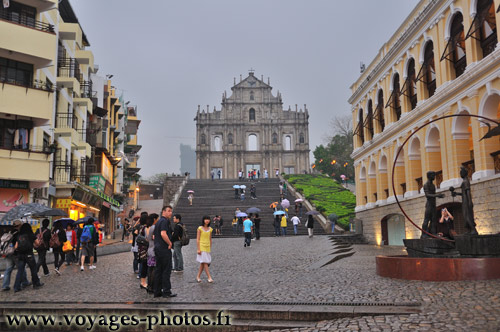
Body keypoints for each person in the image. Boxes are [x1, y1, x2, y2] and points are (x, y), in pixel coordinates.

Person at [13, 222, 43, 292]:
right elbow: (37, 244)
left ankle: (16, 287)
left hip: (20, 255)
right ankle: (36, 283)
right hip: (29, 255)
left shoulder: (19, 235)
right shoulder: (31, 234)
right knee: (33, 270)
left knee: (20, 271)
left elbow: (16, 247)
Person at [153, 205, 176, 298]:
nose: (170, 213)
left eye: (171, 211)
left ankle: (157, 291)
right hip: (164, 248)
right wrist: (169, 243)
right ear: (163, 212)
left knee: (159, 270)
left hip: (158, 248)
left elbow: (154, 236)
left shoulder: (158, 222)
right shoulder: (164, 221)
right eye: (169, 211)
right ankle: (166, 291)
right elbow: (163, 233)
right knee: (166, 270)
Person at [2, 220, 28, 291]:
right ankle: (24, 282)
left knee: (8, 269)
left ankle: (5, 285)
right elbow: (18, 245)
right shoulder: (18, 234)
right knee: (21, 268)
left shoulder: (10, 232)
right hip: (15, 254)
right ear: (19, 225)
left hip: (7, 253)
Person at [451, 166, 478, 235]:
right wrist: (456, 193)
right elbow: (464, 193)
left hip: (466, 201)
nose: (460, 174)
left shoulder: (466, 181)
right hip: (465, 200)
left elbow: (468, 192)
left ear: (464, 173)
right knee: (465, 215)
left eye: (461, 172)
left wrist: (469, 201)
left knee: (467, 215)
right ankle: (469, 230)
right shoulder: (464, 181)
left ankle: (473, 229)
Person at [421, 171, 444, 238]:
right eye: (433, 175)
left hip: (433, 204)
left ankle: (433, 233)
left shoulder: (433, 185)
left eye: (434, 175)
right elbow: (427, 195)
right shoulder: (426, 185)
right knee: (426, 219)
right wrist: (437, 195)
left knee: (434, 219)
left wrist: (436, 196)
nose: (434, 177)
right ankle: (423, 234)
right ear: (429, 176)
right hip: (429, 204)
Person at [196, 216, 213, 283]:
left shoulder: (210, 229)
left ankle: (198, 276)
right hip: (202, 246)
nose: (207, 221)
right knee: (205, 262)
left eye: (208, 219)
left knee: (203, 263)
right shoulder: (200, 228)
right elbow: (198, 239)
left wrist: (210, 247)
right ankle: (209, 277)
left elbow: (210, 239)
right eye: (206, 219)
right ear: (203, 220)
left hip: (207, 246)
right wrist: (198, 249)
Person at [145, 213, 159, 294]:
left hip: (149, 249)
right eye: (157, 219)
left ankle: (149, 286)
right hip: (154, 250)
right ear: (154, 219)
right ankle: (152, 287)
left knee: (150, 269)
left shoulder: (148, 227)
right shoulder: (154, 227)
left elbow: (147, 239)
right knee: (153, 269)